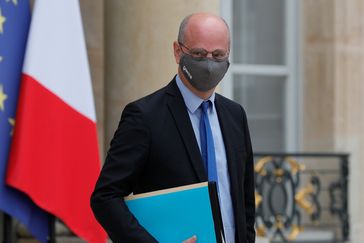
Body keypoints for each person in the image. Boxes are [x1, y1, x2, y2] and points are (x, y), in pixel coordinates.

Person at [90, 12, 255, 243]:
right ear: (178, 52)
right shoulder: (144, 117)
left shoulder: (235, 116)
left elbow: (245, 200)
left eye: (218, 55)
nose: (209, 64)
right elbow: (105, 198)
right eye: (198, 53)